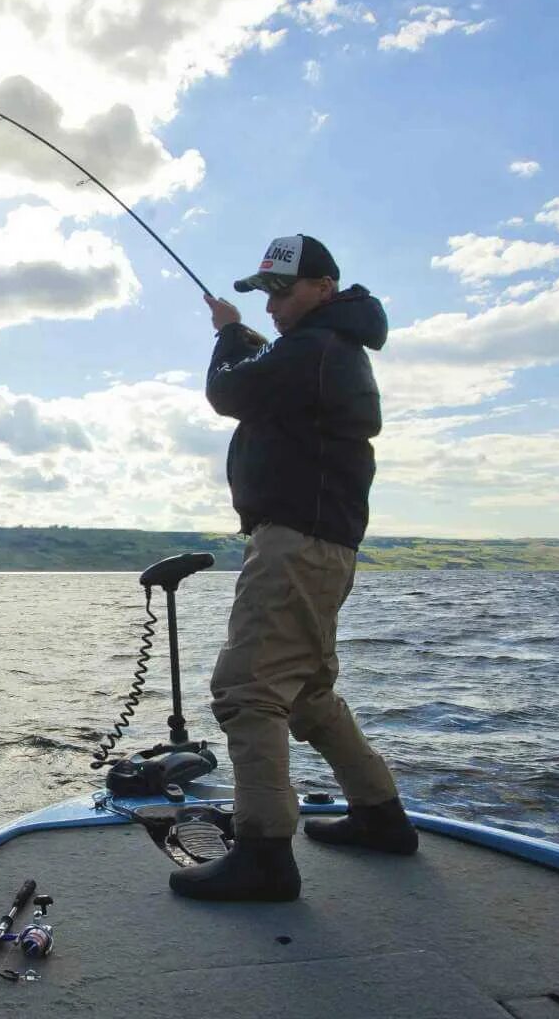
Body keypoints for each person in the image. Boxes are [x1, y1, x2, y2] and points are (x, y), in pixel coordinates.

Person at [169, 234, 418, 903]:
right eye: (266, 294)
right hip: (321, 547)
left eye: (286, 291)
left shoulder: (316, 350)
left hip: (295, 546)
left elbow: (228, 392)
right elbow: (272, 370)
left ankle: (264, 856)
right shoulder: (325, 349)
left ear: (325, 288)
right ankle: (381, 816)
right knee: (305, 693)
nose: (275, 305)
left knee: (248, 690)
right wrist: (249, 335)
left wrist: (227, 335)